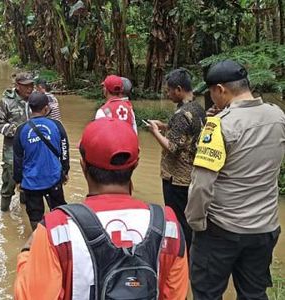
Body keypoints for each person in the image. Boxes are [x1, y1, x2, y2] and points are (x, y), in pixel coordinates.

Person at [15, 118, 189, 299]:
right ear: (136, 164)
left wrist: (27, 252)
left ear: (83, 165)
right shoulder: (169, 224)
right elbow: (177, 294)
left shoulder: (56, 228)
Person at [186, 60, 285, 299]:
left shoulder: (218, 127)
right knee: (254, 293)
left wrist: (196, 223)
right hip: (265, 228)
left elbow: (201, 185)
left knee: (207, 293)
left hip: (222, 229)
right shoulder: (278, 116)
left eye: (211, 93)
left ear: (220, 89)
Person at [146, 68, 206, 251]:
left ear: (179, 89)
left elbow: (172, 147)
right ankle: (190, 251)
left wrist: (155, 132)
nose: (168, 94)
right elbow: (185, 136)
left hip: (176, 178)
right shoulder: (196, 107)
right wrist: (164, 126)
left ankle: (182, 254)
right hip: (192, 174)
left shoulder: (181, 114)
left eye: (169, 90)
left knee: (178, 220)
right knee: (187, 218)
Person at [13, 92, 70, 231]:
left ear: (30, 108)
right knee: (58, 211)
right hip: (54, 177)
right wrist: (65, 171)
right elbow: (65, 150)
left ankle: (38, 241)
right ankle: (59, 240)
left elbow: (17, 158)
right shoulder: (57, 125)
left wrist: (18, 180)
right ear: (46, 108)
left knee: (35, 216)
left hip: (31, 182)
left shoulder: (21, 130)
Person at [0, 72, 33, 211]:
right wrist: (14, 131)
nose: (30, 88)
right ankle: (4, 213)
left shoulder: (35, 100)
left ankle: (25, 208)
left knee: (28, 180)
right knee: (9, 179)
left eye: (31, 85)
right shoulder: (7, 101)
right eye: (26, 86)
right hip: (12, 149)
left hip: (31, 148)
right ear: (17, 86)